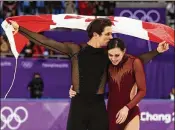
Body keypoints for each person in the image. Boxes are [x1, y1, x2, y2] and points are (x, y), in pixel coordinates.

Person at [10, 18, 168, 130]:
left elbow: (136, 61)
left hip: (98, 107)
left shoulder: (109, 55)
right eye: (108, 34)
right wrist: (21, 30)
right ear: (96, 35)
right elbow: (46, 42)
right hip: (78, 105)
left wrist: (157, 51)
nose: (111, 37)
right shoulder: (76, 50)